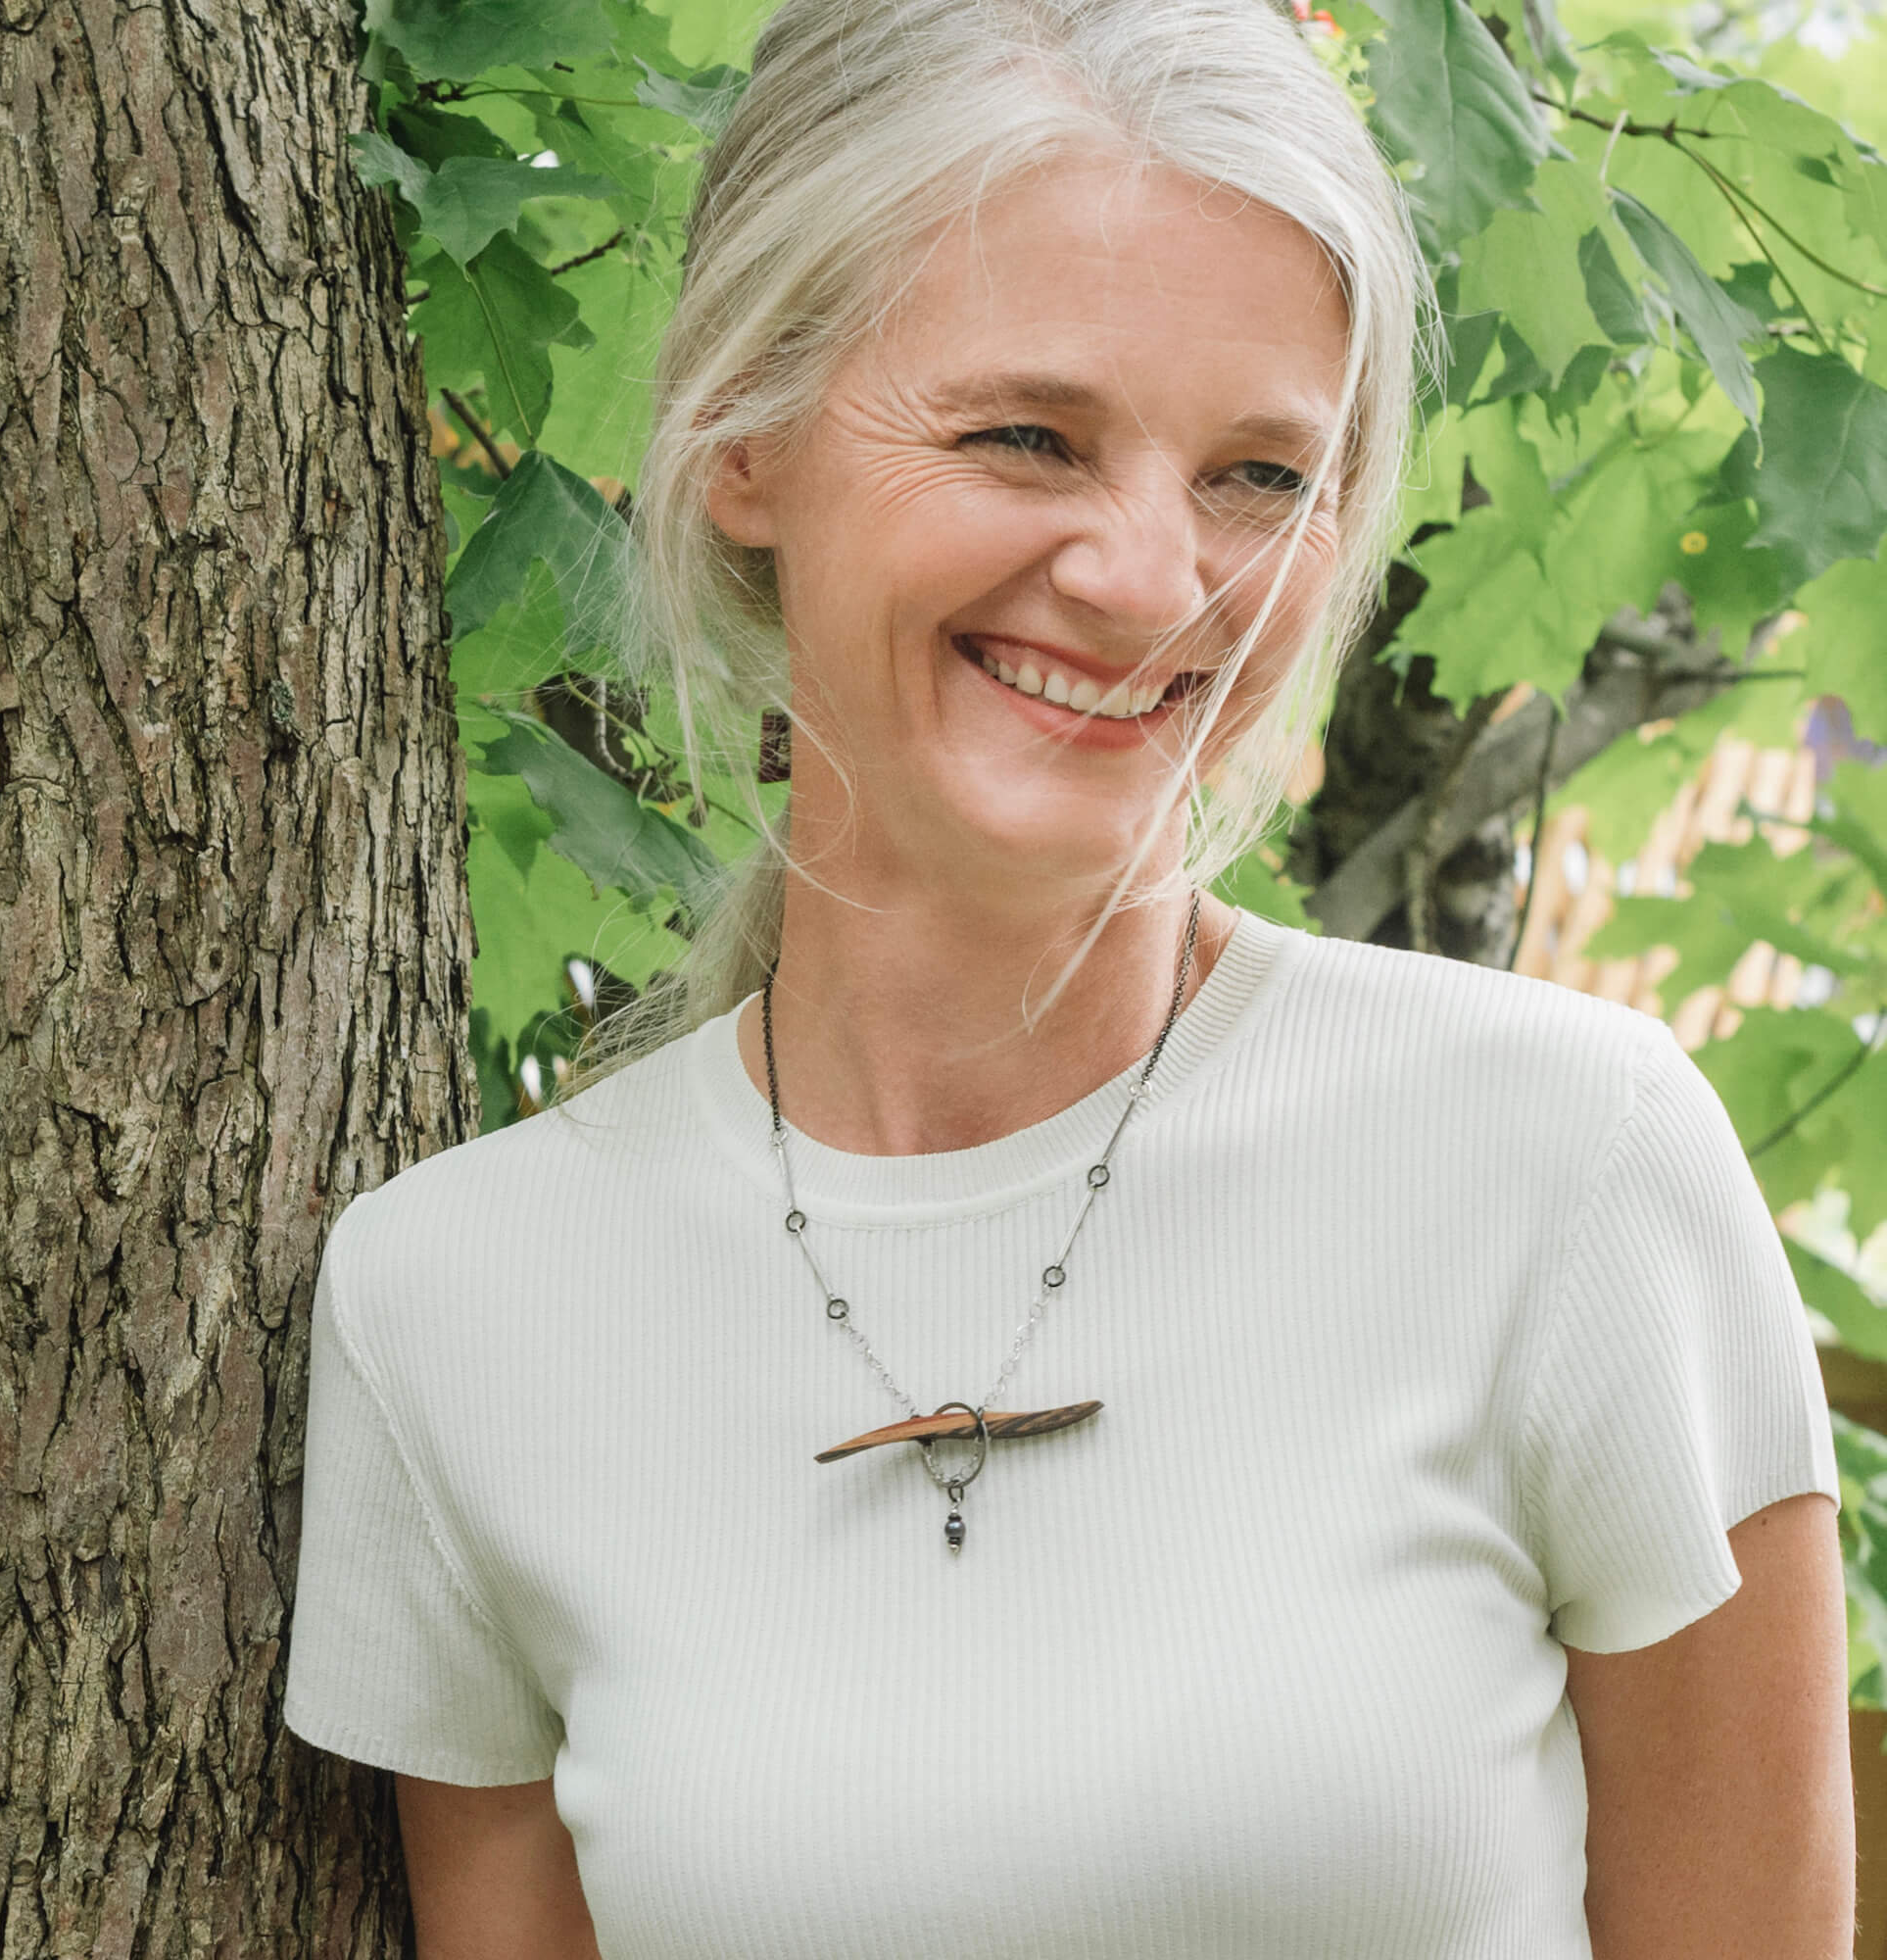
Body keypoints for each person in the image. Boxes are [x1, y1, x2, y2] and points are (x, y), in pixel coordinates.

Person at [282, 0, 1855, 1953]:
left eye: (1258, 477)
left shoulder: (1574, 1167)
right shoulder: (456, 1305)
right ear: (747, 438)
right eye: (1028, 434)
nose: (1147, 577)